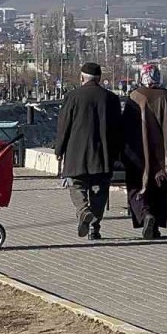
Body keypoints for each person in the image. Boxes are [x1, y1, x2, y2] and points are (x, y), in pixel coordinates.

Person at [55, 62, 123, 241]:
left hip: (76, 153)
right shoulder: (111, 98)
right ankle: (94, 228)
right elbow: (118, 129)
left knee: (76, 185)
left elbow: (64, 125)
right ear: (99, 78)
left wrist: (59, 149)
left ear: (82, 77)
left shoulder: (72, 97)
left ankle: (84, 210)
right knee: (99, 191)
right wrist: (117, 153)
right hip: (102, 154)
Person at [121, 63, 167, 239]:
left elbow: (125, 128)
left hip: (139, 156)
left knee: (138, 188)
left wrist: (124, 153)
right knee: (160, 191)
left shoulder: (135, 96)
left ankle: (145, 214)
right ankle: (154, 226)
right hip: (163, 157)